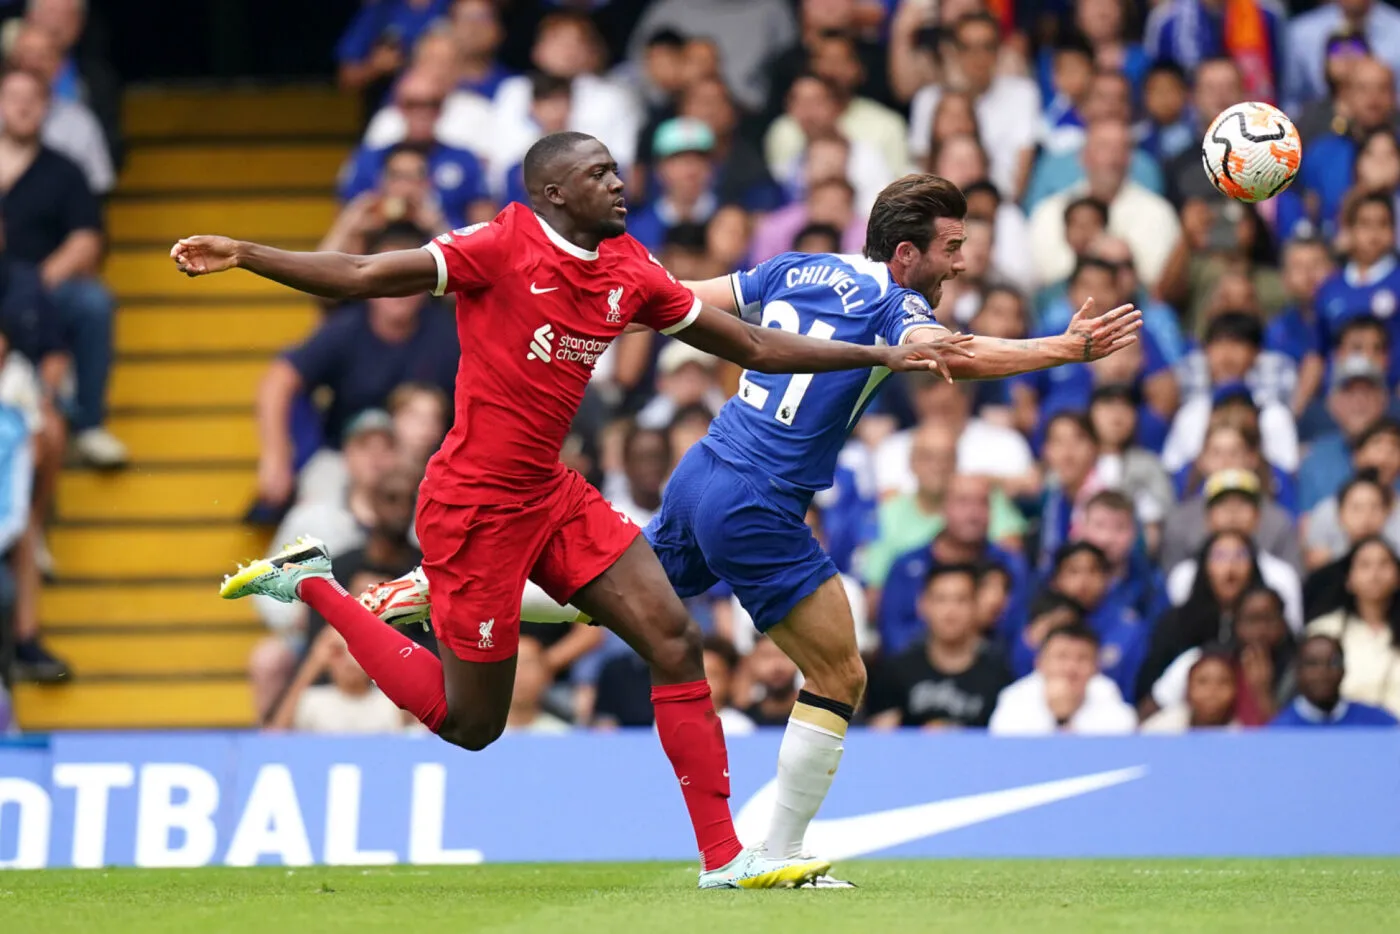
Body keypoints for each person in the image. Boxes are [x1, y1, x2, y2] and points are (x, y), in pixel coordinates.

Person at [174, 132, 992, 890]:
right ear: (554, 192)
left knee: (673, 637)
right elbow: (357, 275)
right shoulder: (494, 248)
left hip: (552, 492)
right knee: (471, 725)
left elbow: (751, 346)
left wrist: (881, 354)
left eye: (615, 168)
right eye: (598, 172)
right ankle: (318, 587)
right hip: (473, 508)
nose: (618, 182)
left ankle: (726, 859)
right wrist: (246, 253)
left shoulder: (630, 268)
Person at [360, 170, 1142, 884]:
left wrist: (598, 303)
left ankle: (432, 591)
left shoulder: (797, 268)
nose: (960, 264)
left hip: (703, 470)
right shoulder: (897, 303)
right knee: (840, 676)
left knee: (613, 598)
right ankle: (783, 852)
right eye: (951, 249)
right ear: (905, 254)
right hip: (756, 502)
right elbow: (949, 356)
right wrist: (1063, 349)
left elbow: (679, 295)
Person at [866, 564, 1012, 729]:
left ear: (976, 605)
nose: (950, 611)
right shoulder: (895, 672)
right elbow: (881, 739)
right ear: (922, 604)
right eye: (941, 599)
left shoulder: (998, 674)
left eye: (961, 600)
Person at [1306, 536, 1400, 716]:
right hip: (1345, 736)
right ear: (1348, 579)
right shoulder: (1323, 630)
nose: (1375, 573)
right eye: (1365, 565)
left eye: (1384, 564)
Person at [987, 623, 1137, 735]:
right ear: (1040, 663)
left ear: (1096, 667)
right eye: (1061, 656)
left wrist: (1067, 718)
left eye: (1082, 658)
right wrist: (1058, 717)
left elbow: (1121, 739)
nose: (1070, 668)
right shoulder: (1015, 698)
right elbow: (1007, 750)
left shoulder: (1107, 695)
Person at [267, 628, 409, 734]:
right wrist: (313, 664)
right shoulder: (312, 701)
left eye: (359, 651)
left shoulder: (392, 702)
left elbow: (422, 735)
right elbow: (274, 738)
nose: (349, 661)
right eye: (339, 652)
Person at [1270, 634, 1398, 727]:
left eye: (1332, 663)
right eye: (1312, 664)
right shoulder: (1281, 730)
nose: (1322, 673)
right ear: (1298, 671)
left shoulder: (1377, 721)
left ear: (1344, 669)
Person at [1139, 647, 1241, 733]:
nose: (1212, 691)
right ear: (1188, 689)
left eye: (1223, 682)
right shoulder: (1164, 728)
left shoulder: (1242, 732)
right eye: (1202, 681)